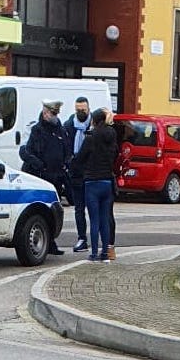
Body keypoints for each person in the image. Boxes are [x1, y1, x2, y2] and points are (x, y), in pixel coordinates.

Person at [18, 99, 69, 255]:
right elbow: (25, 152)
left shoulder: (60, 130)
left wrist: (66, 165)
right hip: (40, 177)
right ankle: (46, 243)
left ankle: (51, 242)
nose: (54, 116)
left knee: (53, 210)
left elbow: (66, 150)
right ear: (45, 112)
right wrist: (39, 165)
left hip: (56, 178)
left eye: (56, 113)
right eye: (52, 113)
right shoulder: (36, 130)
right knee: (41, 211)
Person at [74, 107, 118, 262]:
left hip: (92, 182)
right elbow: (115, 156)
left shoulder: (91, 138)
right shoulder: (112, 137)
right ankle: (105, 254)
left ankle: (93, 254)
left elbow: (79, 159)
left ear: (94, 121)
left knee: (94, 220)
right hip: (107, 182)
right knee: (105, 218)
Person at [62, 96, 92, 252]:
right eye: (78, 110)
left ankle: (97, 238)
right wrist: (69, 163)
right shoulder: (69, 126)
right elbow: (65, 147)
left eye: (83, 110)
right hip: (76, 173)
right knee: (79, 209)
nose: (81, 112)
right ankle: (82, 238)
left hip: (91, 173)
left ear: (88, 109)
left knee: (94, 208)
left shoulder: (94, 126)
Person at [106, 109, 133, 261]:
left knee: (100, 216)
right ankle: (109, 248)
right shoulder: (115, 144)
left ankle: (101, 249)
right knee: (108, 215)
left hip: (98, 180)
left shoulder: (94, 139)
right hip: (110, 180)